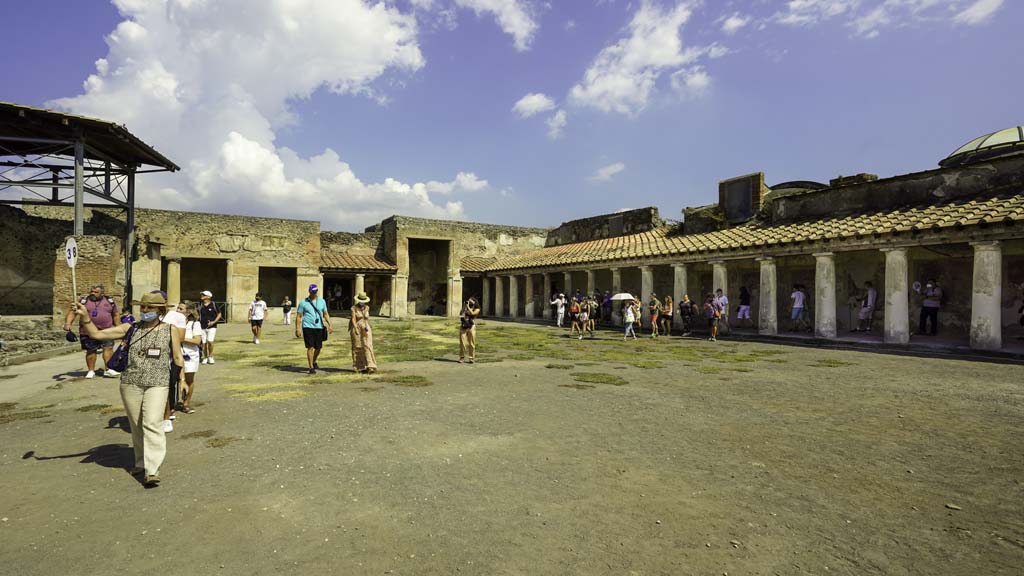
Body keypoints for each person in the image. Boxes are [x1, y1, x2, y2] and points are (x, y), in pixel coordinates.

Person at [73, 291, 183, 487]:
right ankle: (141, 462)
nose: (145, 310)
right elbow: (97, 334)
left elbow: (177, 356)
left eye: (149, 307)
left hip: (158, 382)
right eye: (143, 307)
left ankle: (152, 470)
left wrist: (181, 379)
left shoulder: (170, 329)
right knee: (137, 424)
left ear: (160, 310)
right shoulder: (131, 328)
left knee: (152, 423)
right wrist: (86, 317)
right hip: (131, 382)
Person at [63, 284, 120, 378]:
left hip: (107, 330)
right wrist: (68, 323)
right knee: (91, 350)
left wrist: (118, 327)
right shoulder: (83, 301)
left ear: (102, 293)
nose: (93, 293)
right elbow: (73, 312)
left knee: (108, 348)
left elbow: (116, 314)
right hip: (87, 331)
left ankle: (108, 369)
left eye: (96, 292)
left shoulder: (110, 301)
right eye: (92, 291)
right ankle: (91, 371)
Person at [296, 284, 331, 375]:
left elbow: (325, 313)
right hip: (307, 326)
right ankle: (311, 367)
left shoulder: (322, 301)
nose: (314, 293)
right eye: (312, 292)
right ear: (309, 292)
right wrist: (297, 329)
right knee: (310, 346)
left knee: (318, 347)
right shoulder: (303, 302)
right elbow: (299, 316)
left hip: (319, 326)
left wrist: (330, 324)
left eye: (315, 292)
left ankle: (314, 360)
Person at [176, 302, 202, 414]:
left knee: (189, 380)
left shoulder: (194, 324)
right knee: (175, 379)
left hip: (190, 355)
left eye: (180, 309)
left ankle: (186, 402)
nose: (177, 310)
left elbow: (197, 340)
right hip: (177, 354)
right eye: (177, 308)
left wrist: (182, 339)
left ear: (188, 312)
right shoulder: (174, 324)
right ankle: (173, 403)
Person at [349, 292, 377, 373]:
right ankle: (358, 366)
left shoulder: (367, 307)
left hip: (365, 327)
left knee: (368, 345)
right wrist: (355, 328)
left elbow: (366, 319)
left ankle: (370, 365)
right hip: (357, 327)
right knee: (357, 346)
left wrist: (367, 327)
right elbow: (353, 319)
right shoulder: (354, 308)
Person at [198, 291, 221, 364]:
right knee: (204, 343)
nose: (202, 296)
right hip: (202, 326)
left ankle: (210, 356)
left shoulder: (214, 304)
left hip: (212, 326)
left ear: (208, 297)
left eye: (203, 295)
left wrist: (214, 322)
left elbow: (219, 314)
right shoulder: (200, 305)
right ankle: (205, 357)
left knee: (210, 341)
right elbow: (197, 314)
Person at [459, 297, 480, 363]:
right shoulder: (465, 307)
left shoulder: (477, 308)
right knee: (462, 342)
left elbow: (473, 314)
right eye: (468, 301)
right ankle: (462, 357)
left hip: (471, 326)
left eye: (470, 301)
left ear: (474, 302)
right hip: (463, 326)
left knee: (471, 343)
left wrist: (468, 307)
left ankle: (471, 358)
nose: (469, 302)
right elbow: (461, 313)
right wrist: (464, 306)